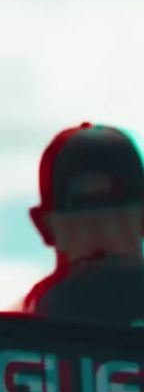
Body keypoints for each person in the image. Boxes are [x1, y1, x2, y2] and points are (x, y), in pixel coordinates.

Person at [20, 121, 144, 327]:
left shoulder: (8, 339)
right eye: (85, 205)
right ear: (44, 225)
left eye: (116, 206)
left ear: (43, 226)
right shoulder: (17, 328)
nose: (104, 225)